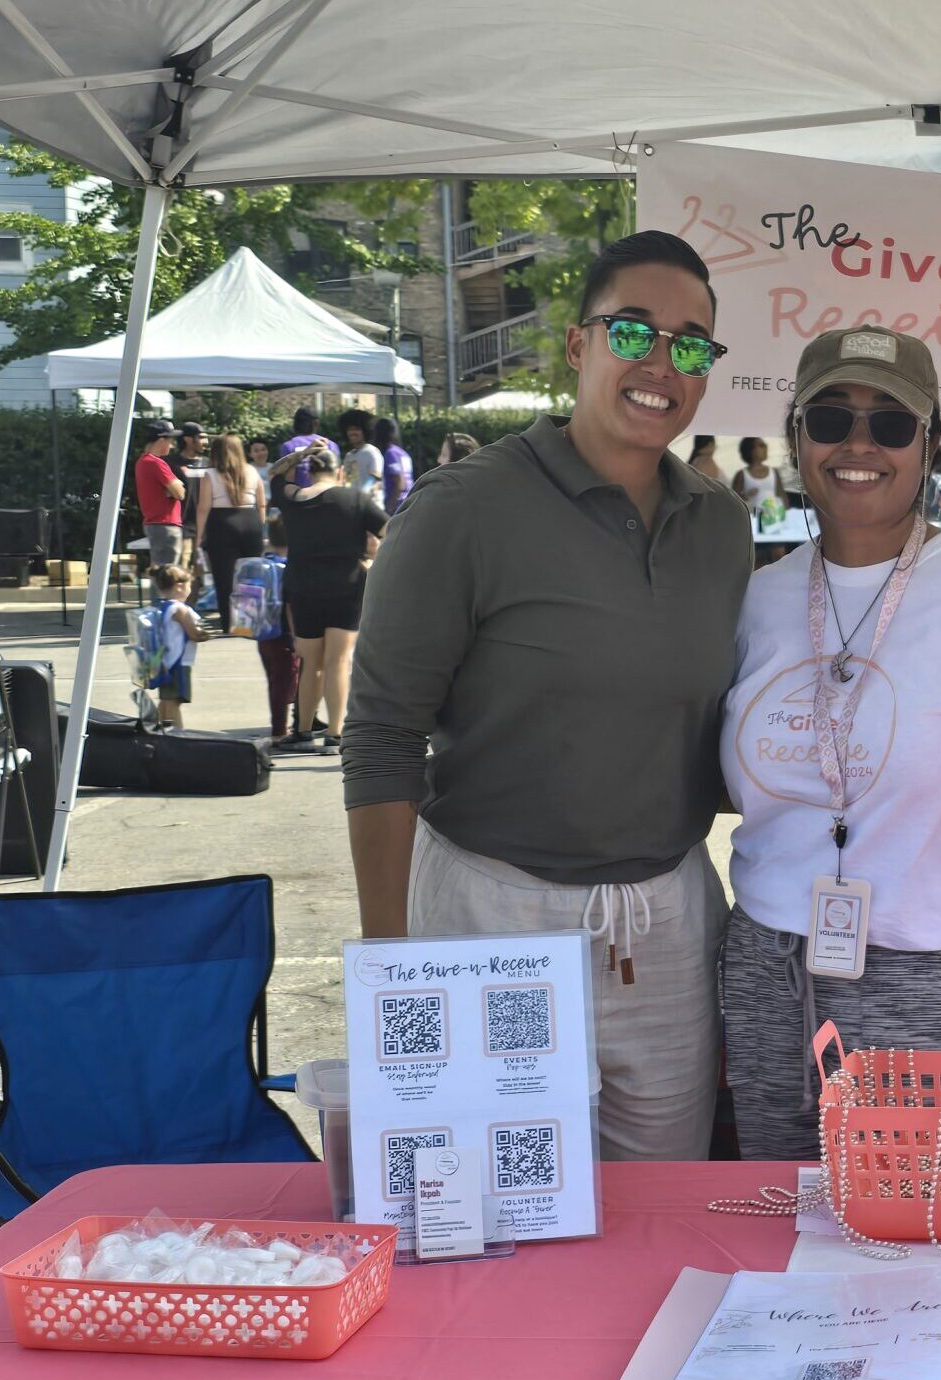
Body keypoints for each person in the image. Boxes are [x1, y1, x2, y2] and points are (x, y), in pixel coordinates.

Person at [344, 231, 752, 1163]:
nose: (662, 363)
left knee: (657, 1217)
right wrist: (393, 971)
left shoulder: (721, 526)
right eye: (634, 331)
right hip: (493, 914)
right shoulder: (463, 509)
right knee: (488, 1213)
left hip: (668, 923)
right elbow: (381, 739)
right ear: (578, 345)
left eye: (692, 345)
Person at [719, 327, 941, 1160]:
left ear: (931, 444)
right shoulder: (758, 597)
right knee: (780, 1224)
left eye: (890, 426)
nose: (858, 445)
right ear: (797, 434)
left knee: (925, 1242)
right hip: (769, 965)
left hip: (929, 969)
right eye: (831, 418)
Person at [272, 446, 387, 754]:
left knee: (312, 663)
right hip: (347, 585)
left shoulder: (293, 498)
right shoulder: (356, 499)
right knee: (339, 661)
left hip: (303, 586)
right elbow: (391, 529)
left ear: (309, 472)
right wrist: (372, 564)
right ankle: (335, 735)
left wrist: (301, 453)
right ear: (340, 473)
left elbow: (275, 473)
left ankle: (304, 731)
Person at [195, 433, 267, 635]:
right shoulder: (252, 471)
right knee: (250, 575)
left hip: (222, 523)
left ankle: (229, 623)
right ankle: (249, 622)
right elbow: (261, 503)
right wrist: (259, 525)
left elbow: (203, 508)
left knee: (225, 577)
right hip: (250, 521)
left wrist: (199, 537)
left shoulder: (209, 475)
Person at [147, 562, 212, 727]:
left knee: (166, 699)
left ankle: (160, 729)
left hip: (164, 661)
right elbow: (194, 634)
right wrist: (207, 635)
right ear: (179, 586)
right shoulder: (180, 610)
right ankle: (176, 734)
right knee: (174, 701)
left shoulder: (163, 607)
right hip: (179, 662)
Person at [253, 518, 300, 742]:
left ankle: (285, 723)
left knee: (275, 681)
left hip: (263, 632)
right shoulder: (289, 568)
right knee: (284, 683)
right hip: (284, 635)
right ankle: (280, 730)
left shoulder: (263, 563)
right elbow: (291, 605)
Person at [133, 420, 188, 569]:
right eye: (170, 441)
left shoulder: (142, 461)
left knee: (159, 571)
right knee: (168, 574)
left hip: (155, 523)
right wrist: (175, 486)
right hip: (166, 524)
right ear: (162, 439)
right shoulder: (156, 463)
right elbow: (180, 492)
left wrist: (170, 489)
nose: (172, 445)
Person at [275, 408, 335, 501]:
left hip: (301, 498)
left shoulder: (288, 446)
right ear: (316, 423)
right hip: (327, 496)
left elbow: (287, 476)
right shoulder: (330, 444)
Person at [337, 409, 385, 507]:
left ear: (366, 430)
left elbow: (376, 477)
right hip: (353, 506)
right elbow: (349, 481)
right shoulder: (349, 456)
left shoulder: (371, 452)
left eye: (356, 429)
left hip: (371, 506)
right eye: (349, 429)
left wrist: (362, 494)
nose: (352, 433)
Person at [729, 436, 785, 515]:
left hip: (774, 516)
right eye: (761, 446)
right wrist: (746, 495)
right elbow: (733, 501)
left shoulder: (774, 472)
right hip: (753, 516)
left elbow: (782, 496)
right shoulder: (742, 474)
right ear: (751, 450)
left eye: (764, 445)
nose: (766, 447)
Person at [374, 417, 413, 515]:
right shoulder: (402, 453)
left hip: (397, 505)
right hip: (408, 502)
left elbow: (400, 483)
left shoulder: (390, 453)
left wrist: (389, 507)